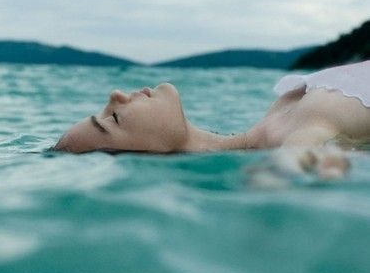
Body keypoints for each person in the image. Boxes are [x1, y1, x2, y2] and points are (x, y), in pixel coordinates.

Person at [54, 61, 370, 178]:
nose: (115, 95)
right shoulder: (292, 140)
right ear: (146, 155)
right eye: (112, 119)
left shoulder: (273, 123)